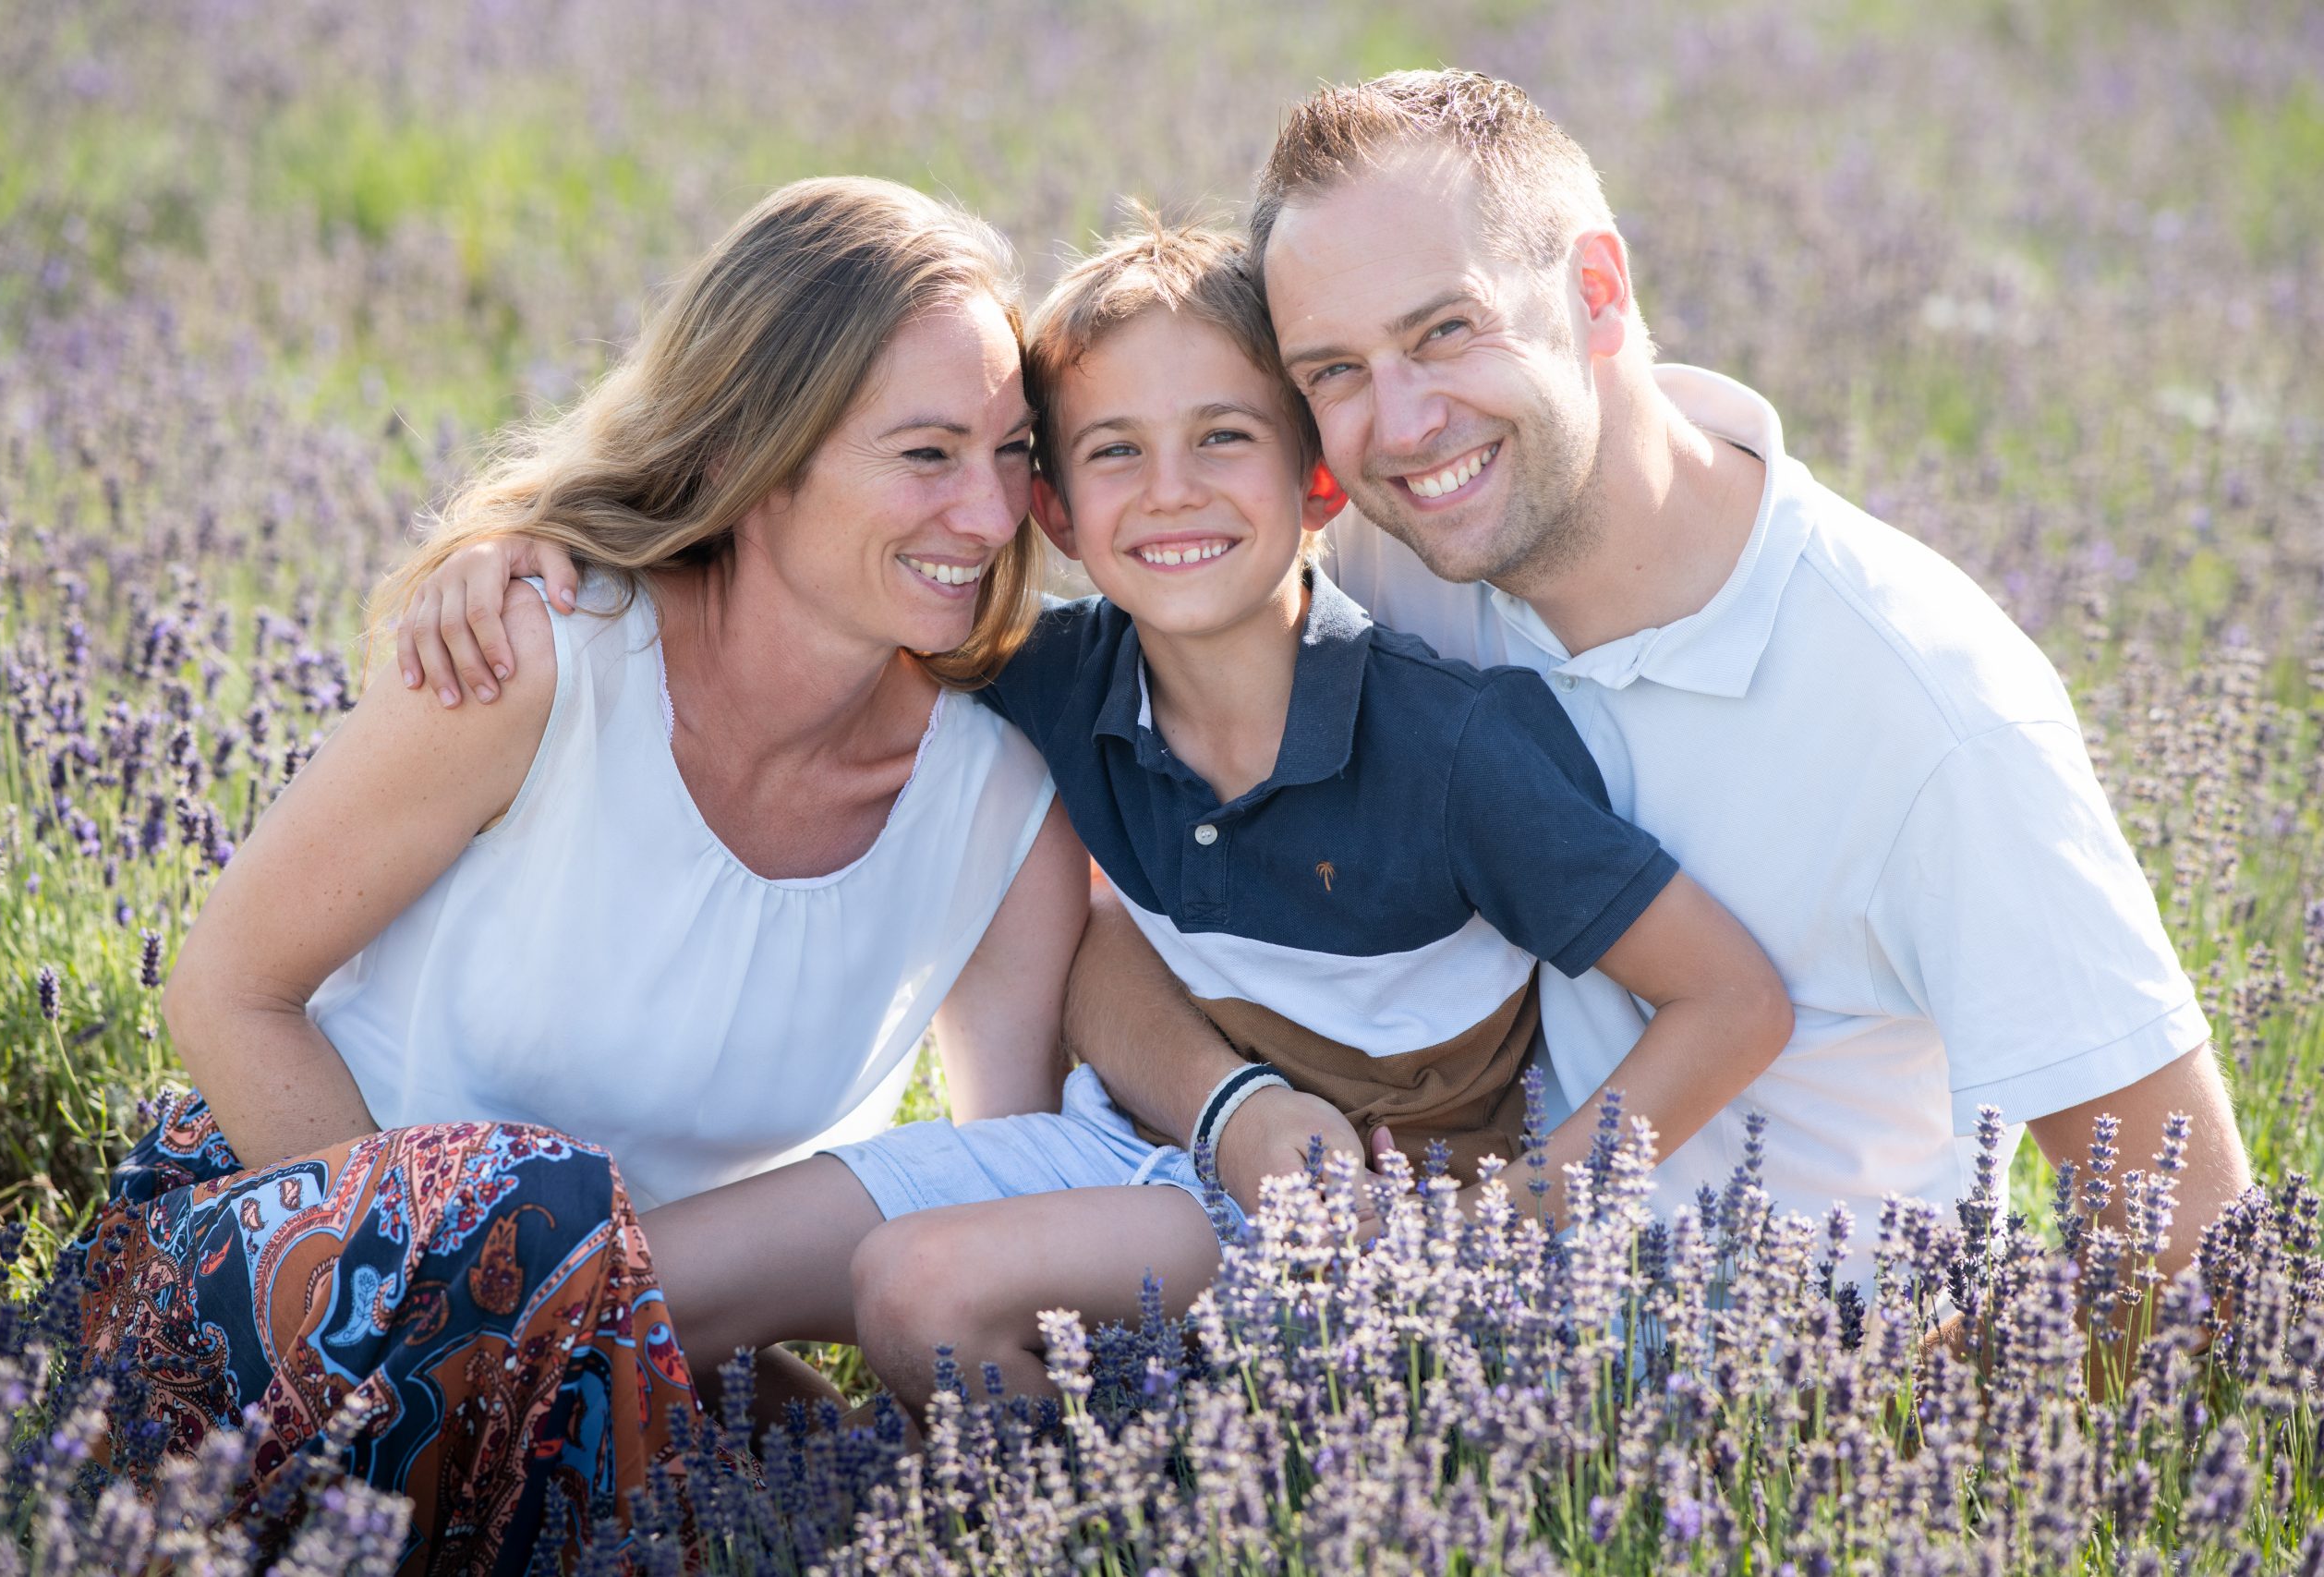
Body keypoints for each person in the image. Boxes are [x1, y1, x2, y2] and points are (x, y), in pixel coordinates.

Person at [399, 216, 1793, 1416]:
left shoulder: (1455, 752)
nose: (1172, 491)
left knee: (923, 1285)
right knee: (620, 1290)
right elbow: (795, 592)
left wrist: (1516, 1234)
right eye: (1114, 452)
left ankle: (1143, 1518)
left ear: (1317, 480)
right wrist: (531, 551)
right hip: (1125, 1144)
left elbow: (1734, 1002)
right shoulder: (1051, 681)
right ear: (1050, 512)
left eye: (1224, 438)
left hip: (1357, 1222)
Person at [1072, 70, 2253, 1277]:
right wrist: (1232, 1110)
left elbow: (2187, 1237)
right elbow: (1122, 915)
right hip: (1439, 1329)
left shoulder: (1928, 707)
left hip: (1782, 1402)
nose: (1404, 422)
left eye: (1446, 330)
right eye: (1333, 370)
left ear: (1596, 291)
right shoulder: (1377, 566)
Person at [76, 176, 1088, 1575]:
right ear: (761, 450)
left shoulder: (1001, 811)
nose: (985, 515)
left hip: (624, 1361)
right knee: (547, 1203)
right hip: (265, 1266)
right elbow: (229, 990)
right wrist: (444, 1312)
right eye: (925, 454)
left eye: (1011, 452)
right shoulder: (536, 661)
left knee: (827, 1474)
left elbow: (1001, 1199)